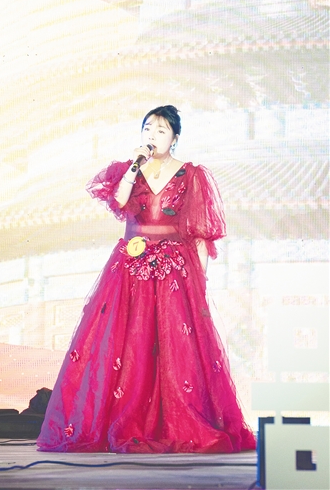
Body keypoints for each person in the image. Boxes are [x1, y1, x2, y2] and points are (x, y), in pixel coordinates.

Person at [37, 105, 256, 454]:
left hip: (173, 268)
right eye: (148, 129)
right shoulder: (130, 169)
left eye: (161, 130)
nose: (153, 135)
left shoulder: (191, 174)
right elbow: (119, 202)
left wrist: (199, 279)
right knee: (128, 344)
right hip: (131, 266)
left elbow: (199, 233)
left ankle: (176, 423)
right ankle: (123, 421)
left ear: (175, 138)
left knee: (173, 346)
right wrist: (134, 167)